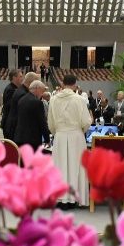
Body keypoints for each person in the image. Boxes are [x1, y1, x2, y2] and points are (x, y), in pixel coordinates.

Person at [48, 74, 92, 209]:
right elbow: (86, 122)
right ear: (75, 84)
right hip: (76, 136)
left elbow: (50, 122)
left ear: (62, 83)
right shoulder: (79, 99)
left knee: (60, 166)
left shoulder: (54, 99)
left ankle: (61, 199)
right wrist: (81, 130)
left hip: (60, 136)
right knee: (76, 166)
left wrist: (58, 132)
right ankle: (75, 198)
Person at [13, 81, 50, 152]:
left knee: (22, 161)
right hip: (32, 140)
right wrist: (47, 139)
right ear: (37, 89)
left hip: (19, 137)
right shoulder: (37, 102)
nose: (42, 94)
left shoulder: (21, 99)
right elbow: (42, 122)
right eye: (42, 91)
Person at [5, 72, 39, 142]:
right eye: (37, 83)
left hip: (15, 127)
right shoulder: (23, 93)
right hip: (15, 129)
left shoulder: (21, 90)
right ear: (32, 82)